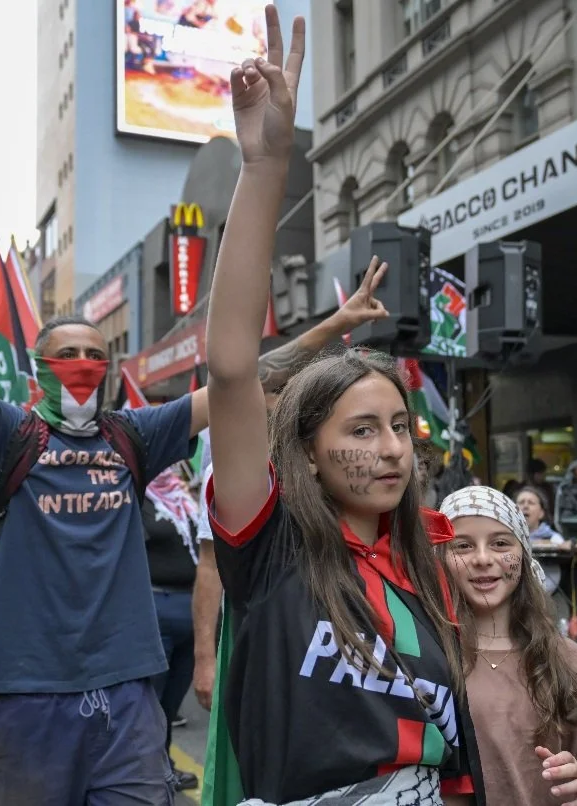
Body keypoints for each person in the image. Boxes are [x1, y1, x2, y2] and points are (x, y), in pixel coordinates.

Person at [0, 118, 386, 804]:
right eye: (65, 355)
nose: (82, 366)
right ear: (38, 371)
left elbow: (241, 383)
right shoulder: (4, 433)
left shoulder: (133, 433)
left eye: (94, 356)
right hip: (27, 693)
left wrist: (330, 330)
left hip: (130, 697)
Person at [204, 9, 478, 803]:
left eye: (399, 427)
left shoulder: (434, 567)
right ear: (307, 449)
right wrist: (266, 167)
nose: (392, 449)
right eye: (361, 429)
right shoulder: (270, 550)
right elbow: (230, 371)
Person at [439, 485, 577, 805]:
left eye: (501, 543)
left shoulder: (566, 658)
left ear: (523, 552)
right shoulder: (425, 655)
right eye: (462, 546)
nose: (483, 559)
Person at [143, 464, 202, 791]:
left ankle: (162, 763)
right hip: (155, 608)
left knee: (169, 703)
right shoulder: (140, 498)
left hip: (189, 609)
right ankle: (144, 770)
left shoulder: (185, 497)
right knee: (148, 701)